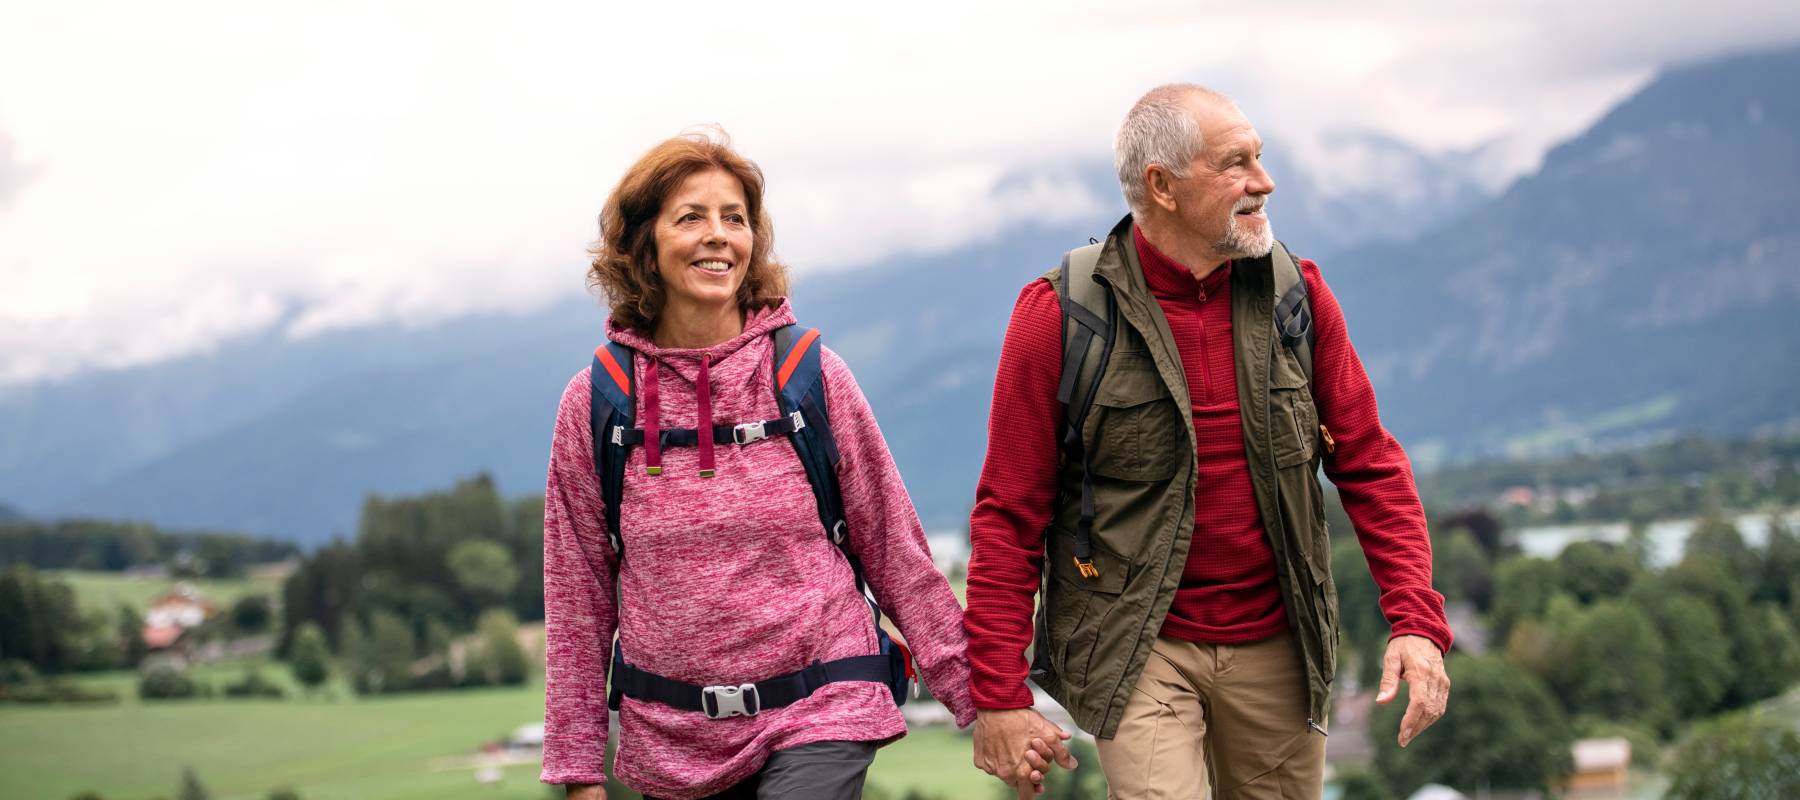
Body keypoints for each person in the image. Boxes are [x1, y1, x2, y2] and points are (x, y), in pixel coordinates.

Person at [964, 84, 1454, 798]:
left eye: (1259, 157)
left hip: (1281, 643)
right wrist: (999, 695)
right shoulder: (1060, 314)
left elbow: (1371, 464)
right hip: (1137, 645)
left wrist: (1416, 620)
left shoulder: (1298, 296)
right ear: (1162, 186)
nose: (1265, 181)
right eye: (1236, 163)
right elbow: (1010, 514)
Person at [540, 130, 975, 800]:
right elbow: (578, 595)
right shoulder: (597, 402)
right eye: (691, 217)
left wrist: (982, 699)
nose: (719, 235)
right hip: (674, 740)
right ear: (643, 246)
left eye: (735, 218)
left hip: (823, 702)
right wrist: (578, 772)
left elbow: (893, 546)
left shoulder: (809, 376)